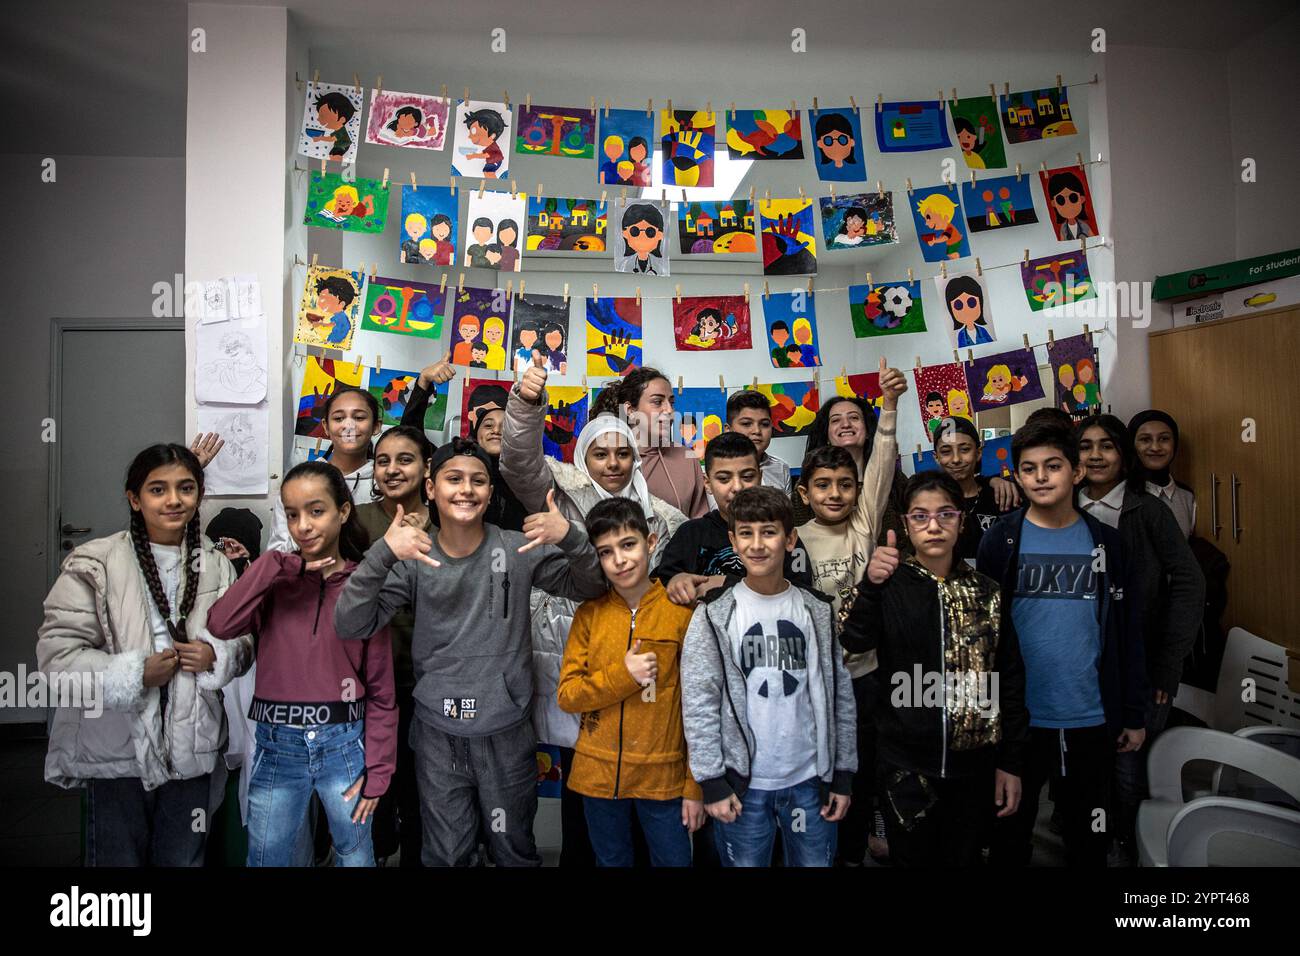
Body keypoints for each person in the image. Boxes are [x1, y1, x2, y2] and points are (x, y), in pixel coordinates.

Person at [333, 438, 608, 866]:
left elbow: (591, 586)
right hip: (438, 734)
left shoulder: (517, 549)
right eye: (453, 479)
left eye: (478, 481)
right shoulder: (414, 556)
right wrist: (384, 553)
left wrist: (571, 536)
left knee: (513, 850)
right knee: (446, 854)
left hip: (505, 732)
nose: (466, 489)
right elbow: (350, 623)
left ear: (490, 492)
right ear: (430, 488)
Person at [500, 354, 688, 865]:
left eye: (622, 453)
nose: (611, 463)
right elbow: (517, 460)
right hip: (568, 652)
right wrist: (526, 401)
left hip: (639, 658)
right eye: (599, 453)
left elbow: (673, 582)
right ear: (584, 457)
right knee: (582, 779)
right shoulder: (557, 490)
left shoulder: (664, 517)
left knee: (643, 779)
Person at [37, 444, 253, 866]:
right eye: (158, 489)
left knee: (184, 857)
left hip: (193, 747)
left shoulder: (215, 565)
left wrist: (217, 657)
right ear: (134, 498)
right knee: (120, 859)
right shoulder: (95, 562)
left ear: (200, 493)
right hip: (118, 751)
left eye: (186, 488)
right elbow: (57, 662)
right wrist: (134, 674)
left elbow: (244, 642)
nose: (174, 500)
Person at [206, 461, 395, 867]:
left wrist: (379, 771)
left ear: (343, 511)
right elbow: (220, 624)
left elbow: (381, 689)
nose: (303, 525)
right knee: (268, 857)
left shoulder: (363, 584)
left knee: (355, 855)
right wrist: (277, 564)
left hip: (343, 743)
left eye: (316, 511)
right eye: (292, 515)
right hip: (278, 745)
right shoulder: (275, 578)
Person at [977, 419, 1148, 867]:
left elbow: (1128, 633)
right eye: (1028, 468)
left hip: (1089, 714)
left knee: (1089, 835)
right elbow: (983, 633)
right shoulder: (1002, 539)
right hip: (1019, 719)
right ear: (1016, 475)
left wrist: (1133, 711)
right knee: (1010, 833)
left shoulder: (1106, 543)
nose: (1040, 477)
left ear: (1076, 472)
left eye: (1053, 466)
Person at [839, 470, 1026, 865]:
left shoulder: (987, 592)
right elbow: (854, 641)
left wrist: (1010, 762)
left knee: (965, 856)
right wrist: (871, 585)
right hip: (906, 767)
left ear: (961, 520)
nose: (934, 526)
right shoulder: (890, 585)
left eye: (946, 514)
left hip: (974, 767)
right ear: (906, 524)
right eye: (920, 516)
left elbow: (1008, 677)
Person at [681, 487, 857, 867]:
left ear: (790, 539)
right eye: (746, 533)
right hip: (744, 785)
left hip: (810, 780)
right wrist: (711, 781)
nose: (757, 544)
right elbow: (699, 703)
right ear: (733, 540)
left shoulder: (816, 610)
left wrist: (842, 773)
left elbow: (839, 696)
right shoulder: (713, 615)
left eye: (769, 532)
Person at [1075, 414, 1204, 865]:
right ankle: (1098, 843)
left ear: (1123, 456)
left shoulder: (1147, 511)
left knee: (1132, 772)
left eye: (1106, 446)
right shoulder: (1064, 508)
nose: (1095, 455)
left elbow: (1189, 582)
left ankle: (1133, 850)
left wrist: (1169, 663)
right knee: (1091, 770)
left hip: (1143, 668)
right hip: (1084, 671)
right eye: (1086, 446)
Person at [793, 360, 906, 864]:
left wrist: (889, 409)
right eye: (822, 485)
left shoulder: (863, 526)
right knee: (820, 771)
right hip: (815, 678)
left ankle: (857, 848)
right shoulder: (794, 539)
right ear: (805, 493)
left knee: (861, 769)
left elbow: (881, 464)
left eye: (844, 484)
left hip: (866, 675)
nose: (834, 494)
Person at [557, 497, 705, 866]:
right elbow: (568, 695)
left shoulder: (681, 616)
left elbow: (700, 710)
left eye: (628, 545)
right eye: (606, 553)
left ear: (651, 542)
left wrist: (694, 787)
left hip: (664, 780)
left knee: (673, 862)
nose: (620, 560)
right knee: (611, 861)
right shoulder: (589, 614)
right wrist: (625, 676)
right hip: (597, 778)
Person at [353, 426, 437, 866]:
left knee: (425, 792)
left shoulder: (450, 519)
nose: (391, 469)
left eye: (404, 459)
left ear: (426, 467)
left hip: (432, 681)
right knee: (375, 789)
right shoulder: (357, 521)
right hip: (371, 682)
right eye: (382, 460)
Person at [656, 432, 812, 604]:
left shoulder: (782, 534)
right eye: (724, 479)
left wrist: (726, 583)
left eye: (747, 477)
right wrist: (677, 581)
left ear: (760, 477)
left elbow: (802, 593)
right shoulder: (690, 534)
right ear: (707, 483)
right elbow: (660, 585)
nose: (737, 487)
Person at [399, 357, 528, 532]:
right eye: (488, 425)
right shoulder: (451, 465)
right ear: (476, 433)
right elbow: (410, 439)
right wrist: (424, 381)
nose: (496, 430)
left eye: (505, 427)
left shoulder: (527, 477)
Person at [269, 386, 379, 552]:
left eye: (359, 417)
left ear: (376, 426)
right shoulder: (301, 481)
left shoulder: (384, 482)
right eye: (339, 418)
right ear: (326, 427)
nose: (349, 425)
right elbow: (276, 554)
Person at [616, 368, 710, 518]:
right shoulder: (611, 461)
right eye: (657, 402)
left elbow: (702, 523)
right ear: (630, 410)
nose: (669, 411)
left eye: (671, 403)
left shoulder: (687, 458)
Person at [932, 416, 1022, 563]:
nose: (956, 459)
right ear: (936, 457)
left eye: (965, 449)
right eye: (946, 451)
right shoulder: (930, 503)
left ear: (978, 452)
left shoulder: (1002, 495)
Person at [1127, 410, 1196, 539]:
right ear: (1132, 444)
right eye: (1145, 439)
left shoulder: (1187, 497)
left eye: (1164, 439)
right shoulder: (1121, 494)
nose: (1155, 447)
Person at [723, 389, 793, 493]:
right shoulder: (715, 468)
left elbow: (786, 509)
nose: (757, 431)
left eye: (764, 424)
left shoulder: (781, 468)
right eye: (746, 424)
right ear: (728, 430)